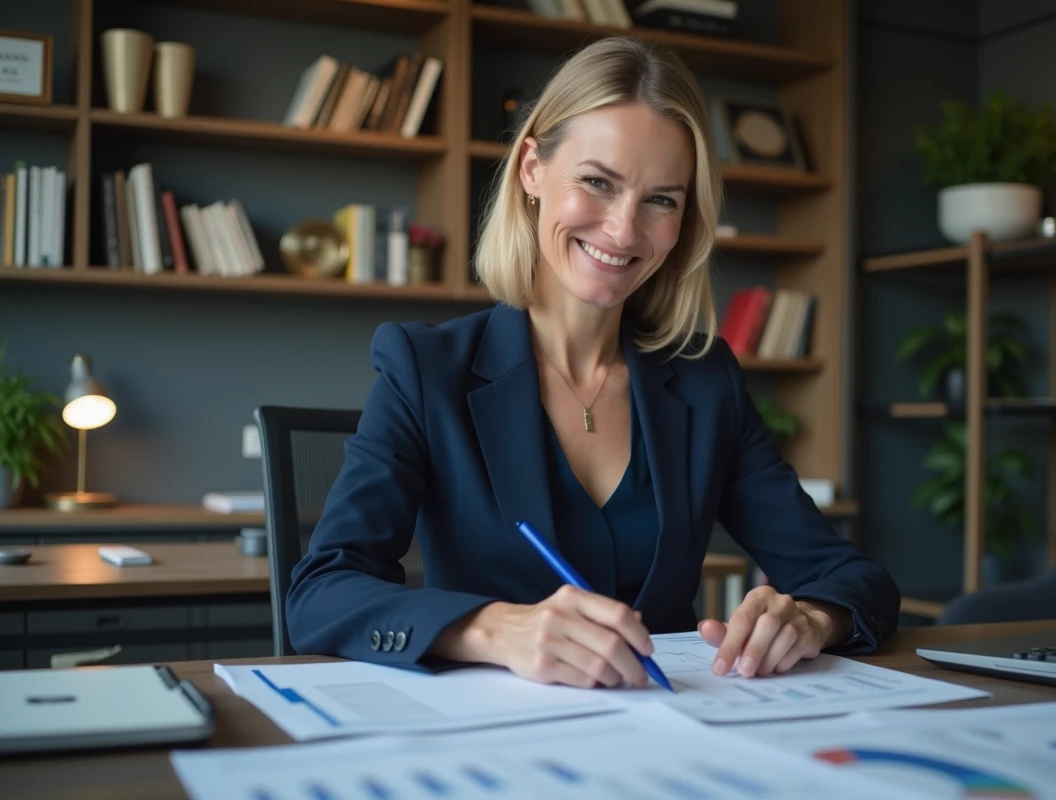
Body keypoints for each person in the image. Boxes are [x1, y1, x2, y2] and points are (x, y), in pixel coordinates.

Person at [287, 35, 900, 690]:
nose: (623, 230)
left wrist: (811, 618)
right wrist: (495, 629)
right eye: (597, 183)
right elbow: (321, 592)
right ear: (531, 169)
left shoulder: (705, 381)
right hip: (494, 742)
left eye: (661, 199)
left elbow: (855, 580)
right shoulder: (426, 368)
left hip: (671, 727)